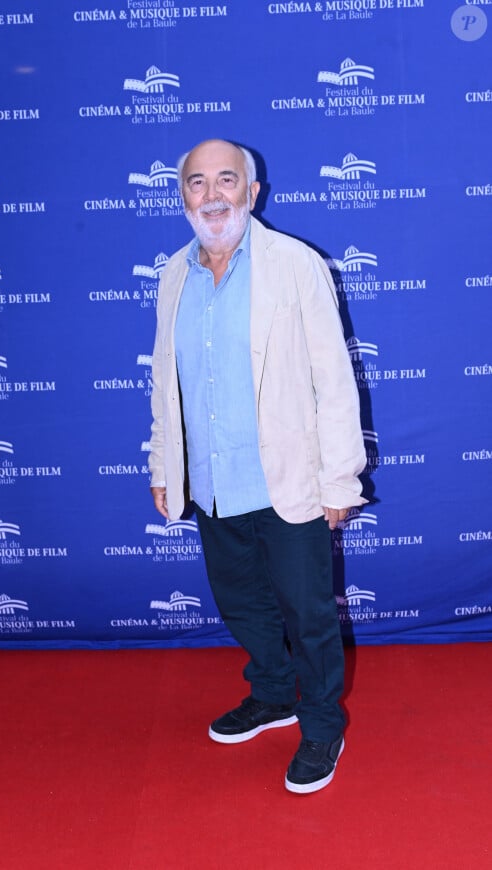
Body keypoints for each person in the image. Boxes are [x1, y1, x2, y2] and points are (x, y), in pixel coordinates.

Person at [148, 139, 367, 794]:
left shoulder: (294, 265)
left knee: (308, 614)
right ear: (181, 195)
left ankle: (323, 721)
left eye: (225, 180)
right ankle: (273, 694)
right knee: (242, 603)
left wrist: (340, 479)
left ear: (252, 191)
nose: (211, 195)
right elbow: (165, 380)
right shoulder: (172, 275)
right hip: (213, 484)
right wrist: (165, 464)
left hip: (288, 478)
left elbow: (334, 378)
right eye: (196, 182)